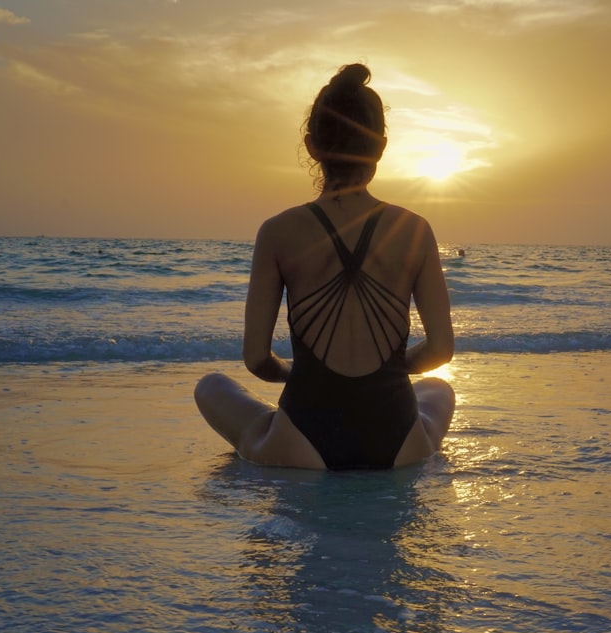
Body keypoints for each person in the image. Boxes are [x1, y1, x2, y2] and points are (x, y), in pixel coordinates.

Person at [194, 63, 455, 470]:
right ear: (380, 146)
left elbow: (256, 359)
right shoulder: (415, 229)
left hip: (302, 442)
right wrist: (389, 370)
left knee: (210, 387)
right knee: (438, 390)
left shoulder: (278, 232)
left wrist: (294, 374)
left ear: (311, 144)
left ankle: (272, 436)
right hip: (398, 439)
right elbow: (440, 350)